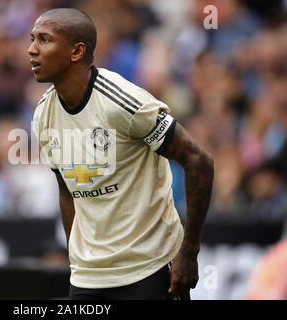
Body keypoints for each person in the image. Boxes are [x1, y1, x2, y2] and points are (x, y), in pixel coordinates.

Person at [28, 8, 214, 300]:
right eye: (32, 39)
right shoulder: (43, 114)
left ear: (77, 51)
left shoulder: (124, 103)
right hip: (88, 277)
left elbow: (198, 161)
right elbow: (66, 190)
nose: (31, 50)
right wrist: (77, 258)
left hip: (148, 269)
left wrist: (189, 252)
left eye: (44, 40)